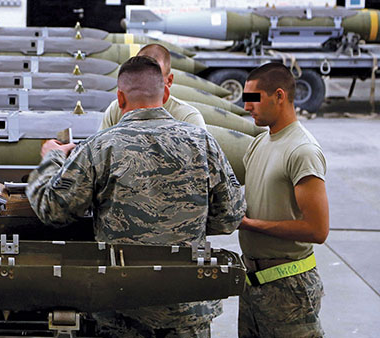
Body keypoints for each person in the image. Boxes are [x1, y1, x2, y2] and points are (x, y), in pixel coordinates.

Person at [27, 56, 244, 337]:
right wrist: (185, 225)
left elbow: (53, 209)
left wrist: (52, 158)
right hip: (186, 305)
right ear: (165, 93)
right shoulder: (203, 143)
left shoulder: (100, 146)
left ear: (119, 97)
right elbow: (230, 217)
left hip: (121, 305)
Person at [238, 63, 329, 337]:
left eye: (254, 99)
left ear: (279, 96)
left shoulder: (302, 151)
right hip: (253, 284)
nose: (246, 107)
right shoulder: (260, 143)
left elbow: (318, 230)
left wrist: (251, 224)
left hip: (290, 289)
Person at [99, 44, 206, 130]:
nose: (145, 82)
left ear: (169, 81)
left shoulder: (188, 118)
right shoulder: (115, 110)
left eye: (154, 76)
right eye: (139, 75)